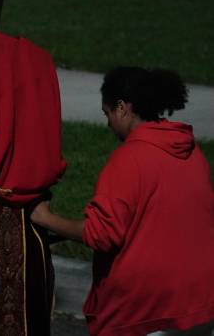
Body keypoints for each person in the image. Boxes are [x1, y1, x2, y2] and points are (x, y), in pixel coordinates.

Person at [30, 67, 214, 336]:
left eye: (107, 114)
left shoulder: (129, 159)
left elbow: (100, 234)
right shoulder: (191, 151)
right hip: (200, 301)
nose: (107, 123)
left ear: (122, 108)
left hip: (148, 312)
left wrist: (46, 218)